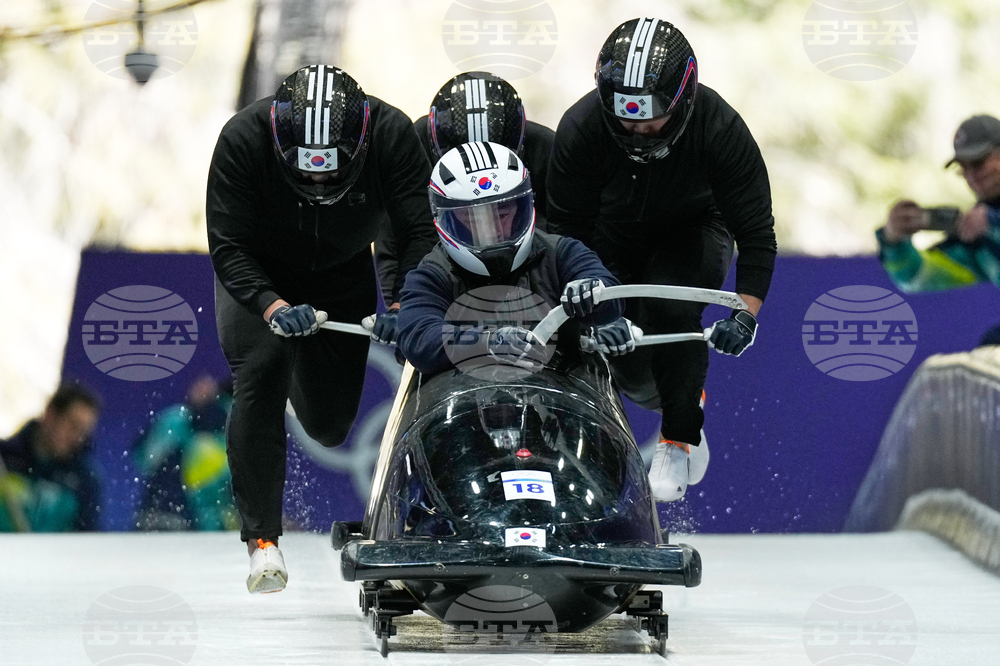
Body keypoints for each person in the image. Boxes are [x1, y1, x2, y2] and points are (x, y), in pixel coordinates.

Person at [206, 64, 438, 594]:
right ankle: (262, 543)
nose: (317, 184)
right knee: (262, 371)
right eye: (305, 172)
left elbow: (421, 230)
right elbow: (228, 245)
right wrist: (270, 306)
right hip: (260, 275)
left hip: (341, 271)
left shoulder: (391, 135)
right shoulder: (242, 140)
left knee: (330, 426)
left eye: (331, 173)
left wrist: (406, 303)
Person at [546, 18, 778, 502]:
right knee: (620, 355)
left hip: (694, 227)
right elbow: (566, 234)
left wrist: (746, 314)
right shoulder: (581, 129)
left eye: (651, 118)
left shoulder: (721, 129)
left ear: (684, 100)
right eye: (626, 117)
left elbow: (756, 233)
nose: (637, 130)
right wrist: (588, 305)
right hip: (609, 234)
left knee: (670, 307)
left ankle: (678, 437)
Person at [397, 141, 637, 377]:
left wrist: (593, 295)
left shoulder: (561, 253)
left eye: (502, 214)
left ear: (522, 207)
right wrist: (490, 343)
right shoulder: (432, 274)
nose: (491, 231)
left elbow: (609, 292)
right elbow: (418, 339)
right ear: (445, 220)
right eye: (473, 219)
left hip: (559, 404)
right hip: (468, 408)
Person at [375, 72, 556, 307]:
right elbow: (399, 232)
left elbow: (563, 228)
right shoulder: (411, 146)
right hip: (443, 266)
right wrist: (401, 301)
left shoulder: (543, 147)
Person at [877, 114, 1000, 346]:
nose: (972, 176)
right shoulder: (976, 238)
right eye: (963, 168)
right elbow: (916, 278)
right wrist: (894, 240)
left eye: (979, 162)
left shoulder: (986, 224)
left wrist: (992, 223)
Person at [133, 374, 237, 532]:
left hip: (171, 517)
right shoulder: (178, 421)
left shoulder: (177, 420)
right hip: (171, 518)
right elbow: (143, 458)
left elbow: (143, 458)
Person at [0, 384, 102, 532]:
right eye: (73, 425)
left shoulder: (85, 480)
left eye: (84, 432)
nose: (78, 438)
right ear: (50, 414)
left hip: (55, 555)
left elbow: (88, 544)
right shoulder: (4, 458)